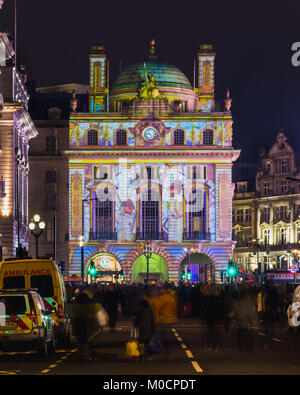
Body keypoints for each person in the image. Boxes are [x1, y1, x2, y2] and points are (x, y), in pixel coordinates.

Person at [72, 287, 100, 361]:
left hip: (78, 322)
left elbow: (73, 313)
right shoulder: (92, 302)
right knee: (89, 340)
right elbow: (96, 314)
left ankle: (80, 355)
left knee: (80, 340)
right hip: (88, 323)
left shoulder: (77, 302)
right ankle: (89, 355)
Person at [134, 294, 155, 361]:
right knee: (148, 343)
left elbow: (137, 319)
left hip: (142, 328)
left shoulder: (139, 309)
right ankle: (149, 356)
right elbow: (152, 319)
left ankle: (141, 356)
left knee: (140, 343)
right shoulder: (150, 309)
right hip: (149, 328)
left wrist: (135, 326)